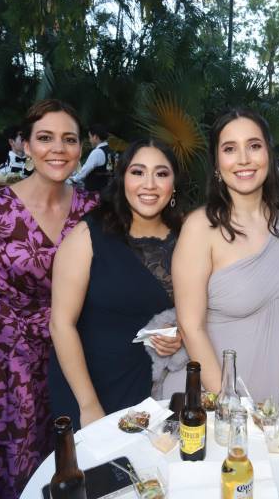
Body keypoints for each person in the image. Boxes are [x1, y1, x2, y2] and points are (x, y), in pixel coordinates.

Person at [0, 99, 99, 498]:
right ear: (25, 145)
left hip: (75, 355)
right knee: (17, 471)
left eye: (69, 139)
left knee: (77, 465)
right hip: (8, 364)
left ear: (81, 148)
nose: (57, 149)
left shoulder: (92, 209)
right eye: (45, 138)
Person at [160, 108, 279, 427]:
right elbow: (191, 326)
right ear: (217, 163)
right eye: (229, 149)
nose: (243, 158)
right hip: (222, 399)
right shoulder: (200, 227)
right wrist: (232, 406)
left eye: (253, 146)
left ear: (268, 154)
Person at [49, 139, 183, 428]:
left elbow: (197, 308)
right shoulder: (88, 235)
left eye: (161, 174)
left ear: (173, 184)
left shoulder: (187, 236)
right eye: (138, 172)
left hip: (159, 389)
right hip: (92, 385)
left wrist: (181, 333)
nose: (149, 184)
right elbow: (61, 324)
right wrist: (88, 406)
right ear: (122, 179)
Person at [70, 123, 112, 192]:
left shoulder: (97, 152)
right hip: (105, 192)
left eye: (90, 137)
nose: (90, 140)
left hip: (93, 194)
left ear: (95, 137)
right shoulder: (110, 151)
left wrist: (74, 179)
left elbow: (85, 170)